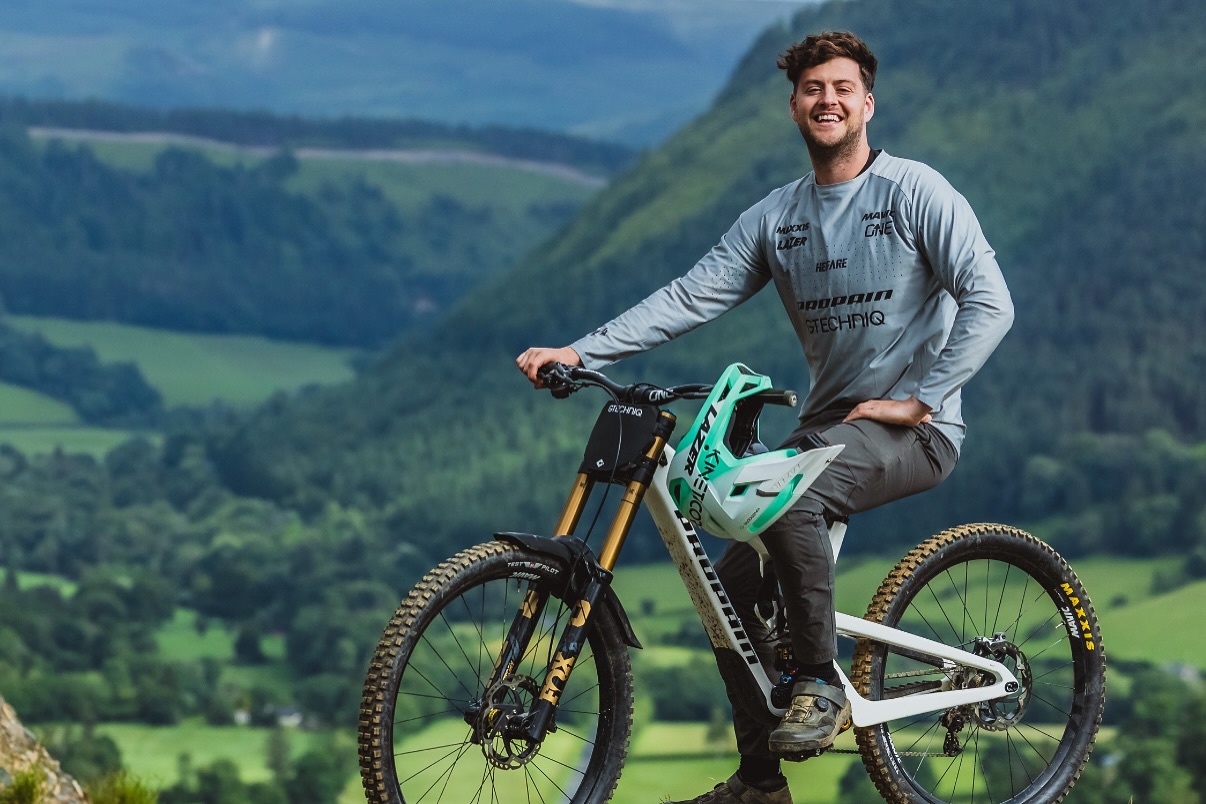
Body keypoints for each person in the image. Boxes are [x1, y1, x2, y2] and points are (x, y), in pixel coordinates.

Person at [517, 30, 1013, 804]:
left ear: (868, 104)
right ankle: (759, 783)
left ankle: (818, 682)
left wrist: (924, 396)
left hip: (915, 432)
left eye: (842, 88)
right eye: (814, 89)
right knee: (729, 590)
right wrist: (581, 352)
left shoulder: (915, 192)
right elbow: (689, 296)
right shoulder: (779, 218)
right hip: (825, 432)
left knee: (791, 497)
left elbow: (991, 302)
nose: (828, 100)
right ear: (793, 107)